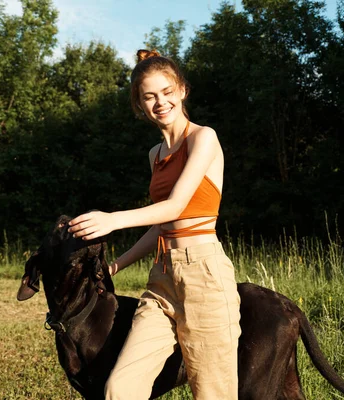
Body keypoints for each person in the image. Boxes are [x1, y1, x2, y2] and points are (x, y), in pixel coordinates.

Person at [67, 49, 241, 400]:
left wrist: (113, 220)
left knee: (212, 394)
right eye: (149, 96)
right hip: (162, 280)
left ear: (182, 91)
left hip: (204, 275)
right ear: (140, 105)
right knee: (120, 389)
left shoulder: (203, 138)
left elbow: (177, 207)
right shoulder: (155, 155)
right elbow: (162, 225)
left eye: (167, 92)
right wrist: (116, 265)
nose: (160, 102)